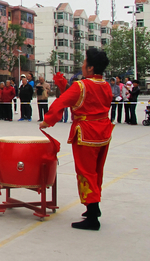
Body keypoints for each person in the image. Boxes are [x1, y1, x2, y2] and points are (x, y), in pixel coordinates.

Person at [40, 48, 112, 230]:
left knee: (86, 172)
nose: (82, 65)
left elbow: (62, 102)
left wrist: (48, 120)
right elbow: (85, 101)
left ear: (90, 67)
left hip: (86, 133)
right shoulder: (105, 85)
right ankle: (93, 207)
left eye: (85, 63)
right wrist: (65, 87)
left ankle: (93, 216)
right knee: (96, 171)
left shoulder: (82, 85)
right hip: (103, 132)